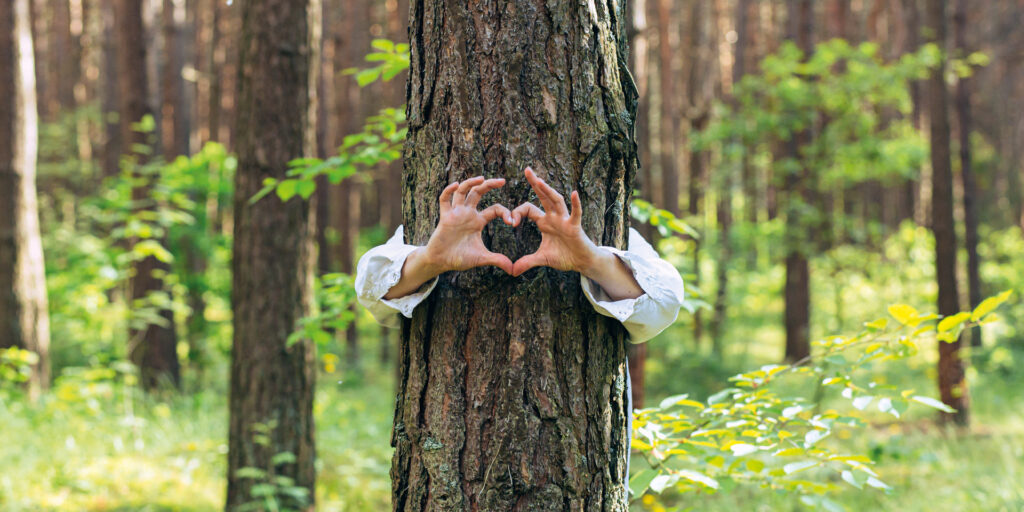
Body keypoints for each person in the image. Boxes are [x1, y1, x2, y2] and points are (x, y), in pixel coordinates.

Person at [354, 166, 686, 482]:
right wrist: (429, 260)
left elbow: (664, 302)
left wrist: (590, 260)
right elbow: (370, 288)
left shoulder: (616, 234)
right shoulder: (424, 227)